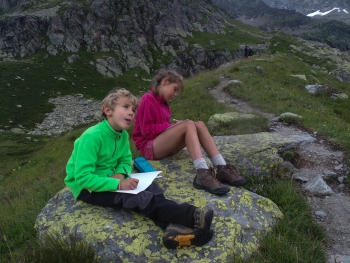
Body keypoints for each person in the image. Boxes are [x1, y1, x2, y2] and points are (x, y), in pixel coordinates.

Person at [64, 88, 214, 249]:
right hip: (88, 189)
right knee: (137, 198)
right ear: (108, 110)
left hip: (111, 178)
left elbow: (125, 159)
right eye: (125, 107)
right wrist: (118, 185)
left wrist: (121, 173)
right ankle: (192, 216)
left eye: (134, 110)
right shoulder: (91, 137)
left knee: (151, 187)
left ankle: (171, 229)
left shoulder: (121, 135)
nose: (131, 113)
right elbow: (82, 177)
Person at [132, 70, 248, 196]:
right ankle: (202, 172)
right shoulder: (147, 99)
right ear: (165, 81)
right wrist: (173, 127)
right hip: (148, 147)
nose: (175, 94)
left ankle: (222, 167)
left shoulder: (165, 106)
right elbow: (147, 131)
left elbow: (163, 130)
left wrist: (174, 127)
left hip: (161, 145)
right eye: (175, 89)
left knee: (199, 125)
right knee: (187, 124)